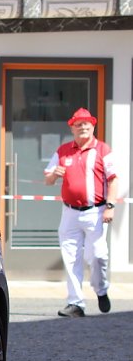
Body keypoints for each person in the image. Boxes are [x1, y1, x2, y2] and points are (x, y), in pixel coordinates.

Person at [44, 107, 118, 318]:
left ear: (92, 126)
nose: (82, 127)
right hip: (69, 213)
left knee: (97, 256)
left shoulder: (103, 150)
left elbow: (114, 179)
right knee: (71, 258)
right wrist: (54, 175)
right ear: (72, 129)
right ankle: (76, 303)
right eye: (78, 125)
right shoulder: (63, 150)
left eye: (86, 124)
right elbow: (48, 179)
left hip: (96, 211)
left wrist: (110, 206)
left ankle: (101, 289)